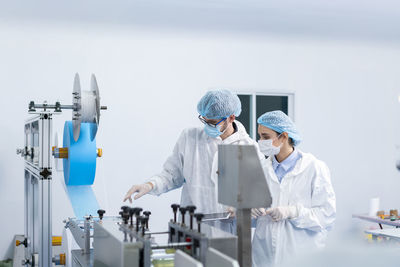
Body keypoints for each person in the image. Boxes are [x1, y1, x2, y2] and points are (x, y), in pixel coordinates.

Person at [123, 90, 259, 233]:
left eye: (212, 122)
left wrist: (243, 208)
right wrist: (150, 185)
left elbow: (256, 195)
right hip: (193, 228)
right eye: (204, 120)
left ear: (231, 118)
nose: (207, 125)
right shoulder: (190, 138)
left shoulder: (249, 148)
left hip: (229, 231)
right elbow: (171, 175)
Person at [252, 110, 336, 267]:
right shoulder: (261, 169)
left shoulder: (314, 168)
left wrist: (293, 212)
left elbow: (326, 216)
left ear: (283, 137)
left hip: (301, 256)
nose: (260, 141)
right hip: (264, 255)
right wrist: (250, 210)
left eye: (265, 137)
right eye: (260, 136)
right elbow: (253, 219)